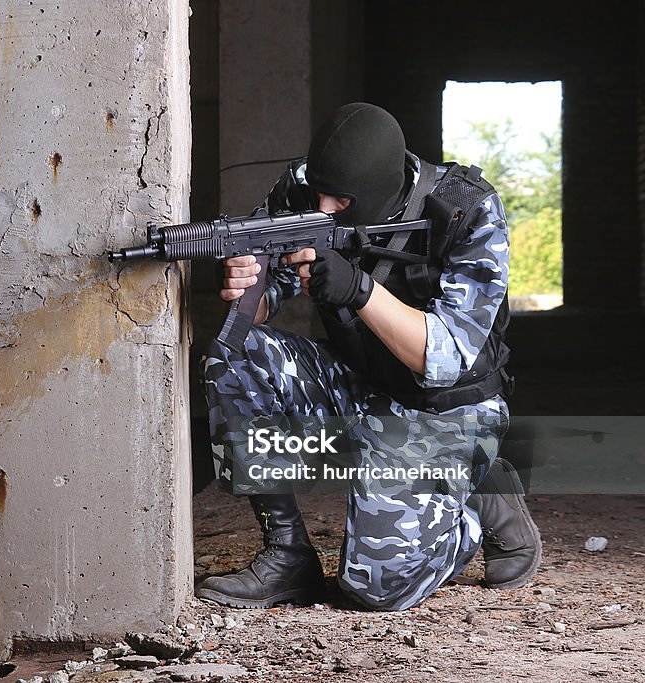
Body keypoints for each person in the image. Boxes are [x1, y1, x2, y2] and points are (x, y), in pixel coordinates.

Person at [196, 103, 542, 611]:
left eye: (340, 199)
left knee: (373, 588)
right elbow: (269, 296)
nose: (322, 204)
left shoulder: (468, 212)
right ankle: (287, 553)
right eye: (318, 191)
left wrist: (360, 290)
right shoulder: (305, 188)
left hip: (442, 410)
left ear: (378, 193)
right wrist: (248, 289)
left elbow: (443, 359)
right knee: (236, 355)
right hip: (356, 386)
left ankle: (476, 496)